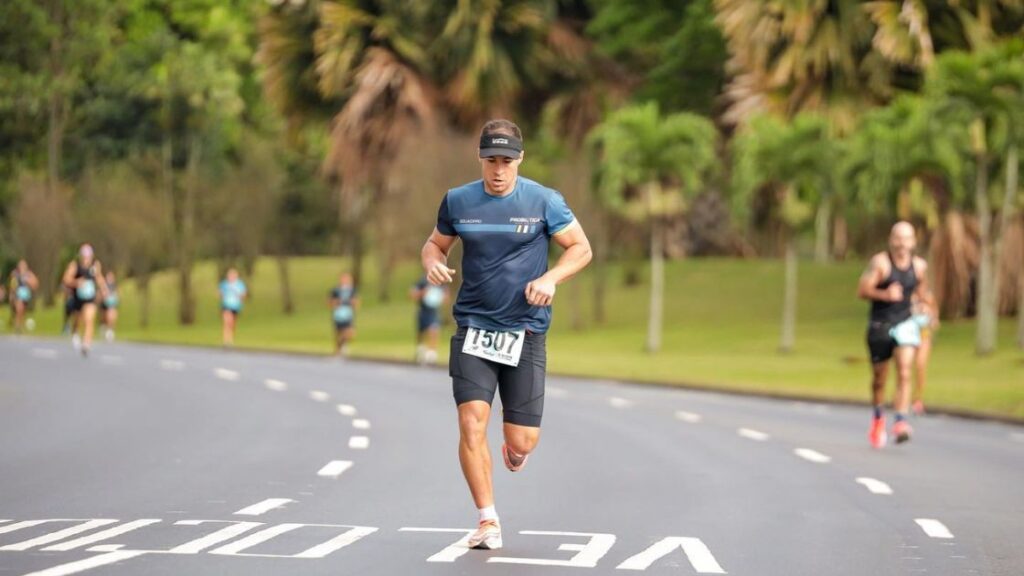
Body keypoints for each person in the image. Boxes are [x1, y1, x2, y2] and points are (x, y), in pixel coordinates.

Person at [421, 119, 592, 550]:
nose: (499, 170)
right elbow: (435, 244)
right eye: (491, 160)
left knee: (522, 440)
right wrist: (431, 262)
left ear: (520, 160)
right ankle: (487, 520)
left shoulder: (544, 201)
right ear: (480, 159)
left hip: (526, 331)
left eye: (507, 161)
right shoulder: (458, 201)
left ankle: (515, 444)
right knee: (470, 422)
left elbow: (581, 248)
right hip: (474, 329)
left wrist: (552, 278)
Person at [857, 221, 931, 448]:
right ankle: (878, 418)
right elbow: (862, 290)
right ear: (891, 240)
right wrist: (885, 294)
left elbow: (921, 292)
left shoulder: (919, 266)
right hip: (880, 325)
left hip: (905, 324)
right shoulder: (881, 263)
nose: (902, 244)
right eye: (898, 238)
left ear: (913, 242)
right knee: (879, 379)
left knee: (905, 372)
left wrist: (924, 306)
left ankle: (900, 421)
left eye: (906, 239)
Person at [62, 244, 110, 357]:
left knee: (89, 319)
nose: (86, 259)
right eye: (84, 256)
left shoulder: (95, 266)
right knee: (78, 320)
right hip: (78, 297)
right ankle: (75, 332)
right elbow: (66, 279)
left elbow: (99, 278)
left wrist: (104, 289)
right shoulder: (75, 266)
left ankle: (86, 344)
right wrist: (76, 282)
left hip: (90, 298)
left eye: (88, 256)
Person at [910, 291, 939, 415]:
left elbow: (935, 321)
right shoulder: (908, 297)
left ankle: (918, 399)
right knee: (905, 368)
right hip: (908, 336)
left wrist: (929, 315)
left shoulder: (929, 296)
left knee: (920, 366)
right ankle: (904, 397)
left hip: (923, 336)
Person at [411, 275, 448, 364]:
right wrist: (423, 293)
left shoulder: (441, 281)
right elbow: (412, 295)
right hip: (423, 310)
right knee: (421, 332)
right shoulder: (422, 281)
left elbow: (446, 298)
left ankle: (432, 354)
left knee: (434, 330)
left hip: (434, 311)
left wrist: (442, 297)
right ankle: (420, 350)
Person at [328, 272, 359, 357]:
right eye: (344, 278)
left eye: (347, 279)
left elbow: (356, 302)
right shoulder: (335, 290)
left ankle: (341, 346)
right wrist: (336, 302)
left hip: (348, 314)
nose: (345, 280)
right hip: (338, 314)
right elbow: (330, 302)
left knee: (350, 333)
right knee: (339, 333)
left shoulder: (352, 290)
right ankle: (339, 349)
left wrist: (353, 304)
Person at [8, 260, 39, 334]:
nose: (22, 267)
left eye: (24, 265)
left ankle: (20, 326)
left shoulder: (29, 274)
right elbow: (12, 285)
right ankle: (17, 326)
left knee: (23, 311)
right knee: (19, 309)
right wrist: (11, 294)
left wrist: (29, 281)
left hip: (25, 294)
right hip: (17, 294)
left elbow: (35, 284)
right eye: (21, 265)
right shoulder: (15, 274)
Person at [219, 268, 247, 347]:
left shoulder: (239, 284)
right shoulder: (224, 284)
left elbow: (243, 295)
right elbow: (220, 294)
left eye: (233, 275)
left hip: (235, 306)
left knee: (232, 324)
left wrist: (240, 299)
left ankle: (230, 339)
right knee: (226, 322)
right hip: (226, 305)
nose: (231, 276)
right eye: (230, 275)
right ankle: (226, 340)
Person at [100, 270, 120, 342]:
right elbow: (101, 293)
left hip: (113, 303)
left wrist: (117, 297)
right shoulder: (104, 285)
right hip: (105, 303)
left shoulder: (115, 285)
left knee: (113, 317)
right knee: (106, 317)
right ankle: (104, 327)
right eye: (108, 276)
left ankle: (110, 331)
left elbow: (118, 293)